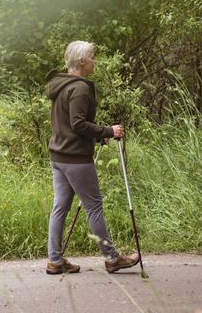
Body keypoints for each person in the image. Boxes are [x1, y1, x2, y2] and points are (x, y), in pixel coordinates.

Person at [44, 40, 140, 275]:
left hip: (59, 155)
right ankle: (112, 258)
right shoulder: (80, 88)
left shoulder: (61, 85)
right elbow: (77, 124)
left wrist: (96, 137)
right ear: (82, 61)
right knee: (94, 207)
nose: (95, 61)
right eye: (92, 57)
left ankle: (55, 261)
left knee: (60, 208)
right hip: (75, 158)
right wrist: (109, 131)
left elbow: (68, 123)